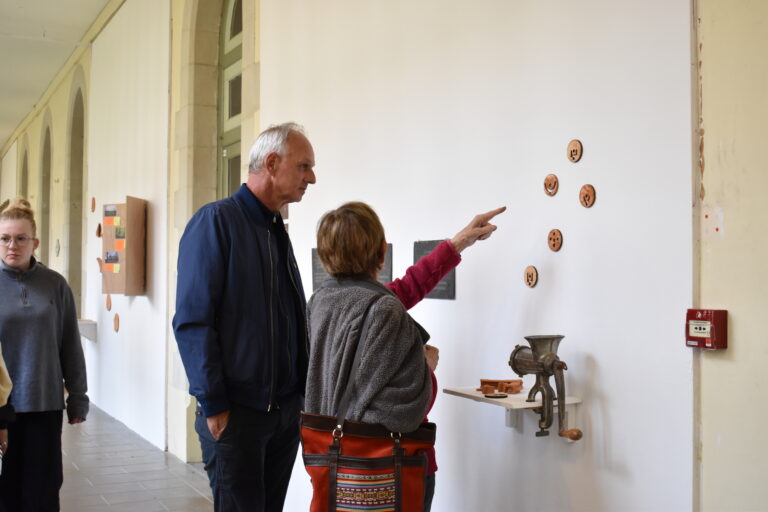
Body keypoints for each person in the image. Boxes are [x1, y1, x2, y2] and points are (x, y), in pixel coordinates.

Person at [305, 202, 505, 511]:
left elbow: (404, 289)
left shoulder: (323, 302)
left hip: (333, 460)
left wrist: (458, 242)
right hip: (391, 465)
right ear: (382, 252)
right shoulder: (382, 309)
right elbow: (407, 411)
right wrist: (426, 369)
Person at [173, 122, 316, 512]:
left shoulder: (274, 229)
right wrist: (215, 403)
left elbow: (288, 317)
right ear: (271, 162)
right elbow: (192, 322)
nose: (312, 178)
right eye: (304, 166)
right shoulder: (216, 221)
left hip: (281, 416)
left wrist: (298, 398)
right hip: (237, 416)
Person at [0, 198, 89, 511]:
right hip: (2, 410)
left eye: (21, 238)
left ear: (35, 242)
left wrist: (78, 396)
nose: (13, 245)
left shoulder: (55, 285)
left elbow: (70, 344)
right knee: (5, 490)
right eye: (5, 238)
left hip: (44, 403)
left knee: (43, 489)